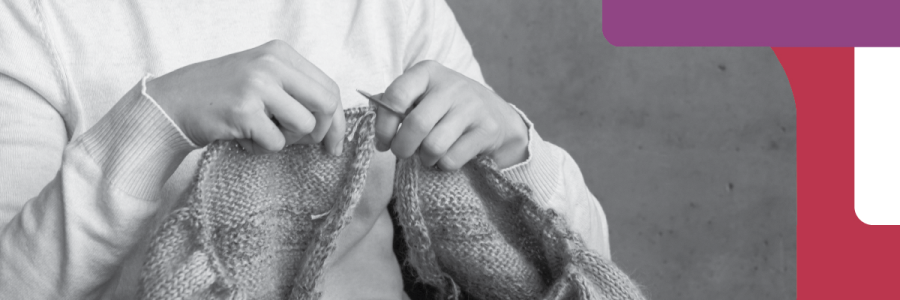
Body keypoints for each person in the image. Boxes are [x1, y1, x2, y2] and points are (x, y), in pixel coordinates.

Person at [0, 1, 610, 298]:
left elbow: (588, 266)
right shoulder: (33, 19)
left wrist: (512, 148)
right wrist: (158, 121)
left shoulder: (391, 7)